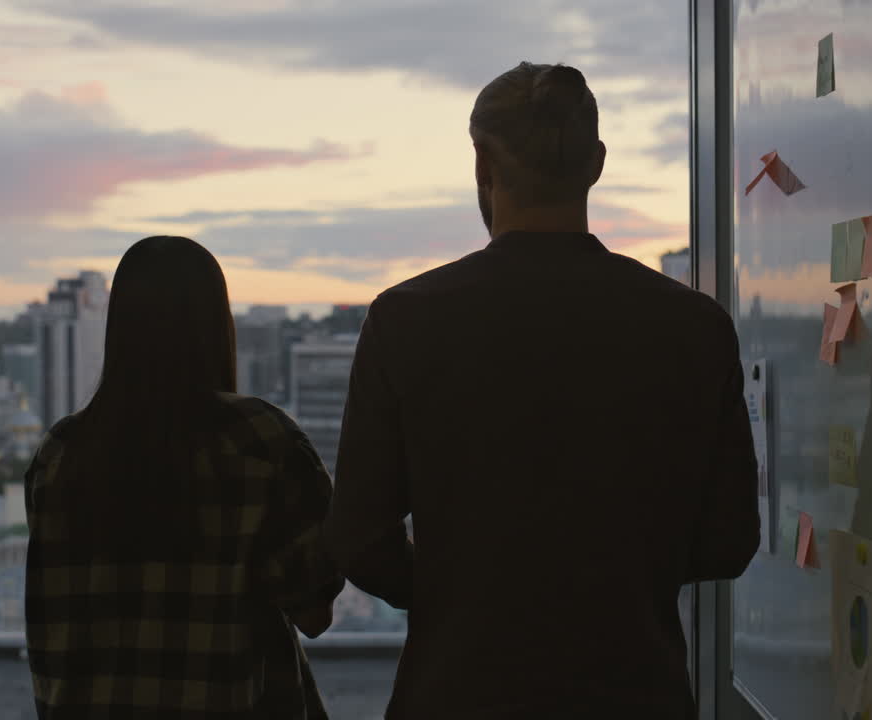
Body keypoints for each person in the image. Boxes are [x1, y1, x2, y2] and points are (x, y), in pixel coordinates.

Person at [326, 62, 760, 718]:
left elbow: (361, 541)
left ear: (482, 165)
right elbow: (728, 541)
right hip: (636, 693)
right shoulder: (693, 326)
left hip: (459, 693)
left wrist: (462, 593)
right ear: (597, 163)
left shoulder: (407, 319)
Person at [24, 236, 344, 719]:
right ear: (217, 325)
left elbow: (47, 626)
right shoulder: (259, 441)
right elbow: (314, 612)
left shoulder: (61, 454)